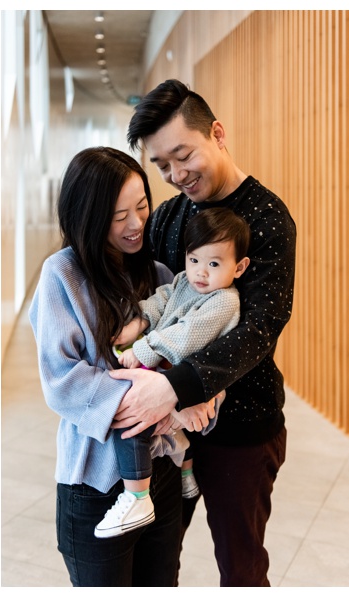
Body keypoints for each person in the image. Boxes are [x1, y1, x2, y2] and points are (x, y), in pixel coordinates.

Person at [121, 79, 296, 586]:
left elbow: (260, 328)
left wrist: (175, 385)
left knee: (240, 568)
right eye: (162, 166)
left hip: (241, 425)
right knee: (152, 560)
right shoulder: (171, 216)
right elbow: (152, 297)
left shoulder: (266, 218)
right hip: (169, 426)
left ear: (217, 133)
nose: (176, 175)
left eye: (183, 155)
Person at [29, 146, 217, 586]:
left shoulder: (160, 274)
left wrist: (191, 395)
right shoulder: (62, 274)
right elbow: (63, 381)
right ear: (88, 217)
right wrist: (167, 400)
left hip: (164, 475)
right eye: (118, 216)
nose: (136, 225)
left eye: (142, 207)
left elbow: (195, 348)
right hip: (95, 483)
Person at [97, 207, 250, 539]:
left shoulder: (225, 301)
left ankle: (137, 496)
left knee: (131, 419)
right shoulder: (183, 281)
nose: (201, 273)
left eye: (214, 264)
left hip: (189, 380)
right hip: (169, 370)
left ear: (239, 267)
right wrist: (138, 322)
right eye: (194, 260)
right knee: (166, 427)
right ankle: (185, 470)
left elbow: (186, 336)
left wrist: (141, 349)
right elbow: (160, 300)